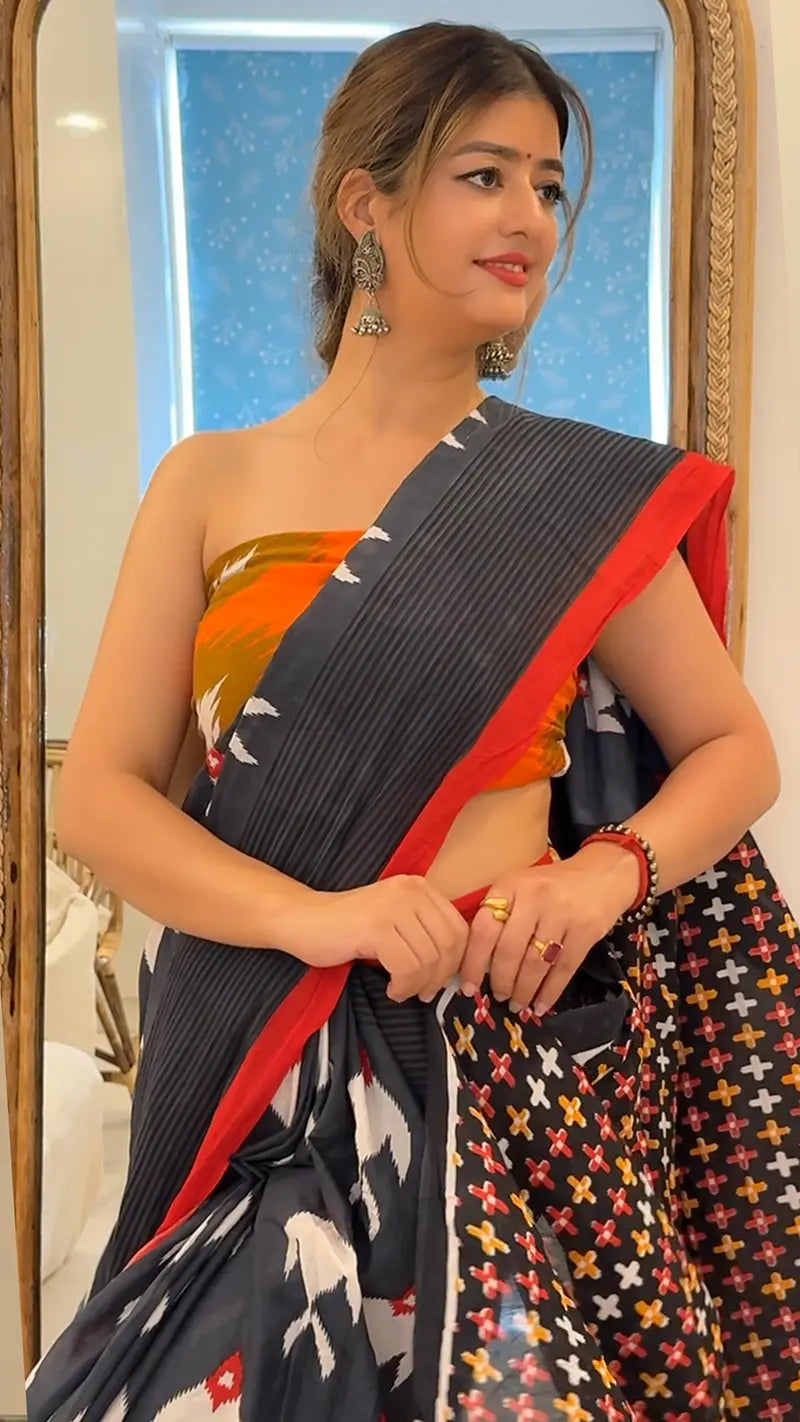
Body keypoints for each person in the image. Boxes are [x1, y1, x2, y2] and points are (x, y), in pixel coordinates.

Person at [28, 21, 797, 1422]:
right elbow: (105, 800)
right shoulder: (212, 481)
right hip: (264, 1064)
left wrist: (599, 873)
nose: (529, 219)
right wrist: (317, 916)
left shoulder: (571, 502)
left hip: (500, 1071)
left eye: (551, 187)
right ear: (366, 202)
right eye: (484, 174)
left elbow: (739, 751)